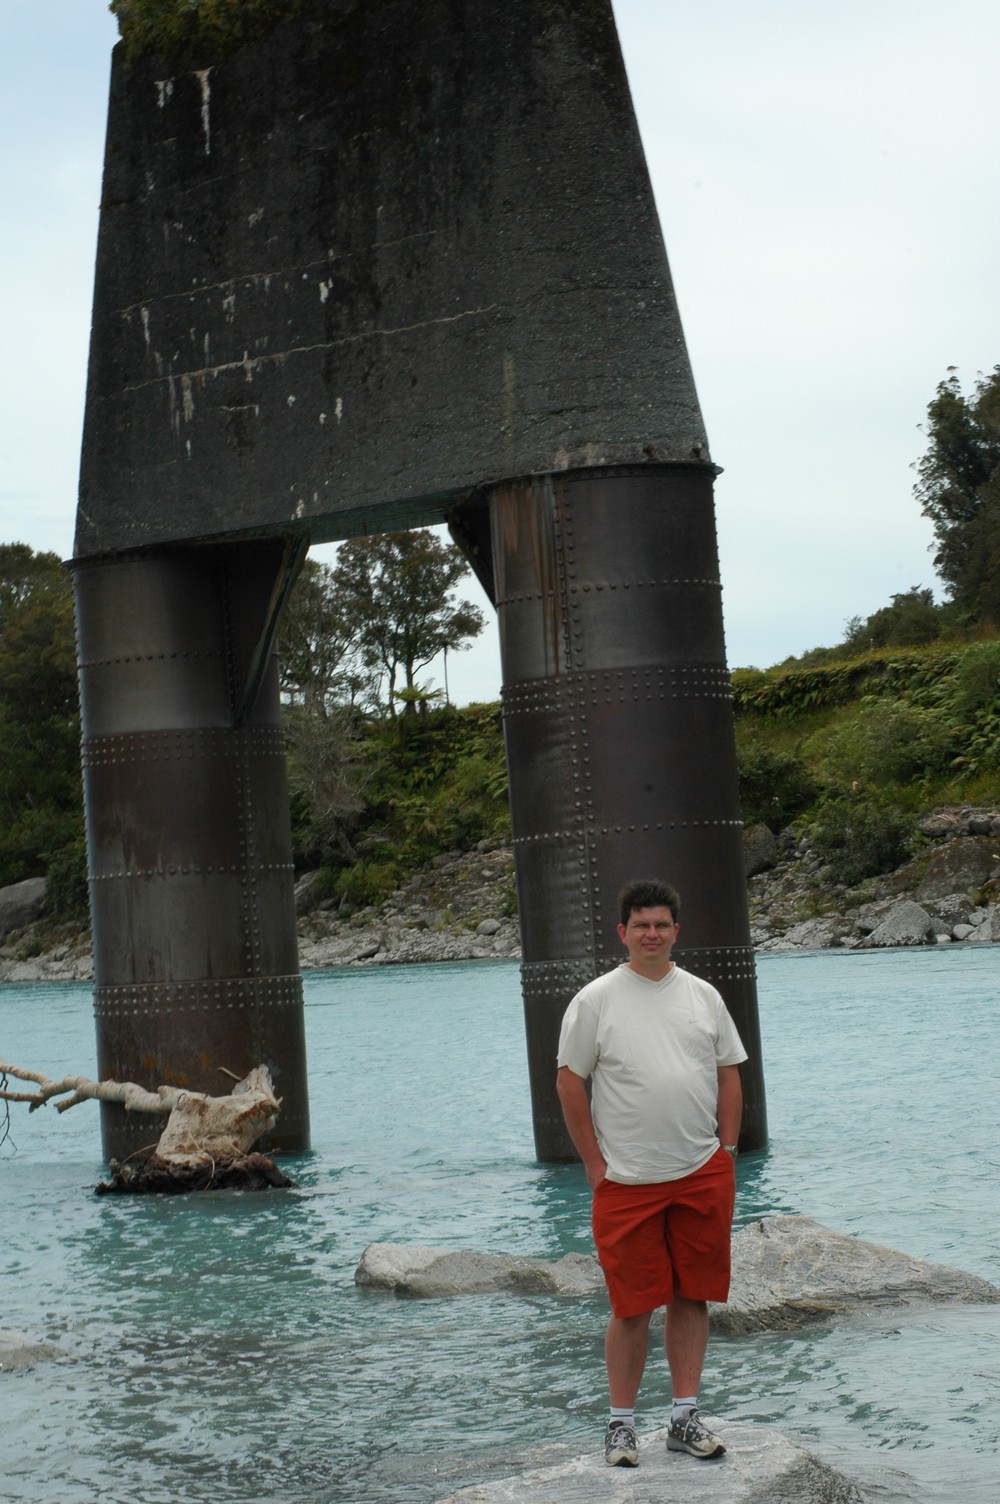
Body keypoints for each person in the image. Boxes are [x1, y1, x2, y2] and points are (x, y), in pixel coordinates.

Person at [555, 877, 746, 1468]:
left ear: (675, 932)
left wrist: (729, 1152)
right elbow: (569, 1080)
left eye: (662, 924)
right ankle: (619, 1427)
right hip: (628, 1181)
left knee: (693, 1296)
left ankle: (684, 1417)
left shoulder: (703, 996)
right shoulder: (595, 1000)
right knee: (631, 1305)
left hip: (699, 1169)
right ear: (623, 932)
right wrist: (593, 1162)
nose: (652, 934)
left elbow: (729, 1072)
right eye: (641, 925)